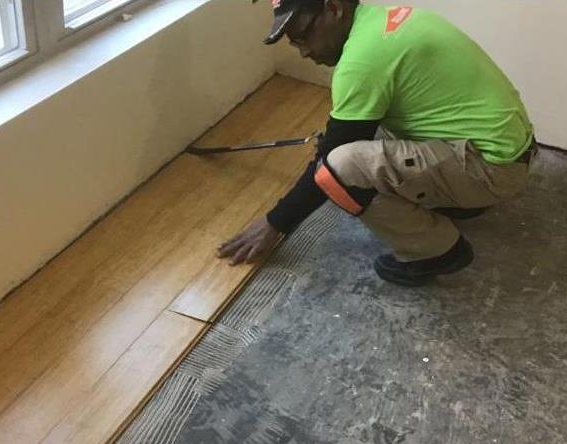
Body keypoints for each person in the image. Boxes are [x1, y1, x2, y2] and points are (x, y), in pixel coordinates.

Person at [216, 0, 536, 286]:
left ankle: (437, 251)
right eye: (293, 43)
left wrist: (275, 223)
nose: (303, 51)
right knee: (365, 137)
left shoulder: (362, 61)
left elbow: (328, 164)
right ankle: (463, 202)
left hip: (491, 169)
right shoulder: (391, 20)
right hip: (508, 150)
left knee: (338, 169)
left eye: (303, 35)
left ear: (333, 8)